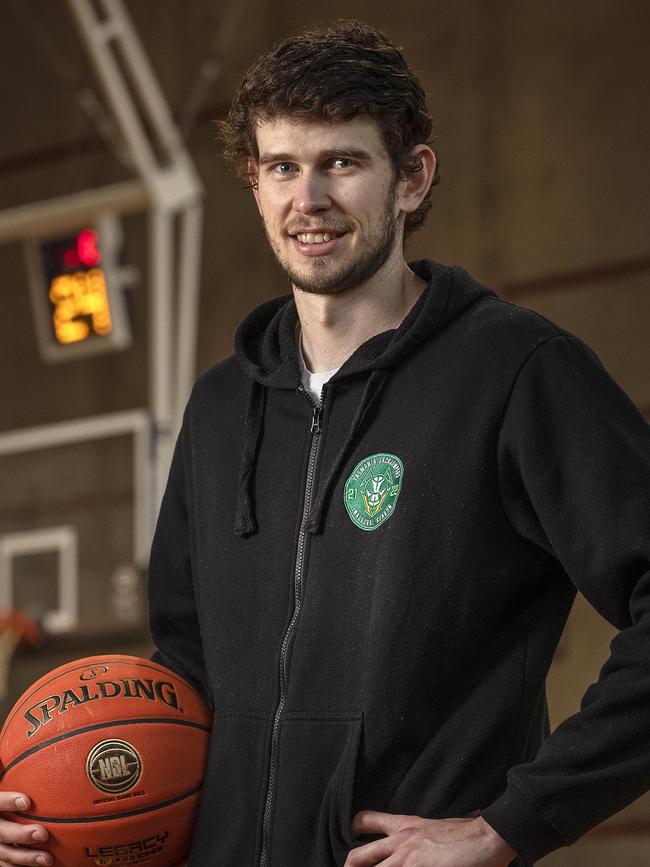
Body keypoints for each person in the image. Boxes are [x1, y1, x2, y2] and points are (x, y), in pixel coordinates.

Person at [1, 18, 648, 867]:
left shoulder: (518, 373)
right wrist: (72, 804)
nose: (308, 199)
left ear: (411, 178)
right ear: (256, 183)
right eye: (282, 167)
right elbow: (187, 668)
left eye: (341, 163)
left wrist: (510, 823)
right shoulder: (222, 405)